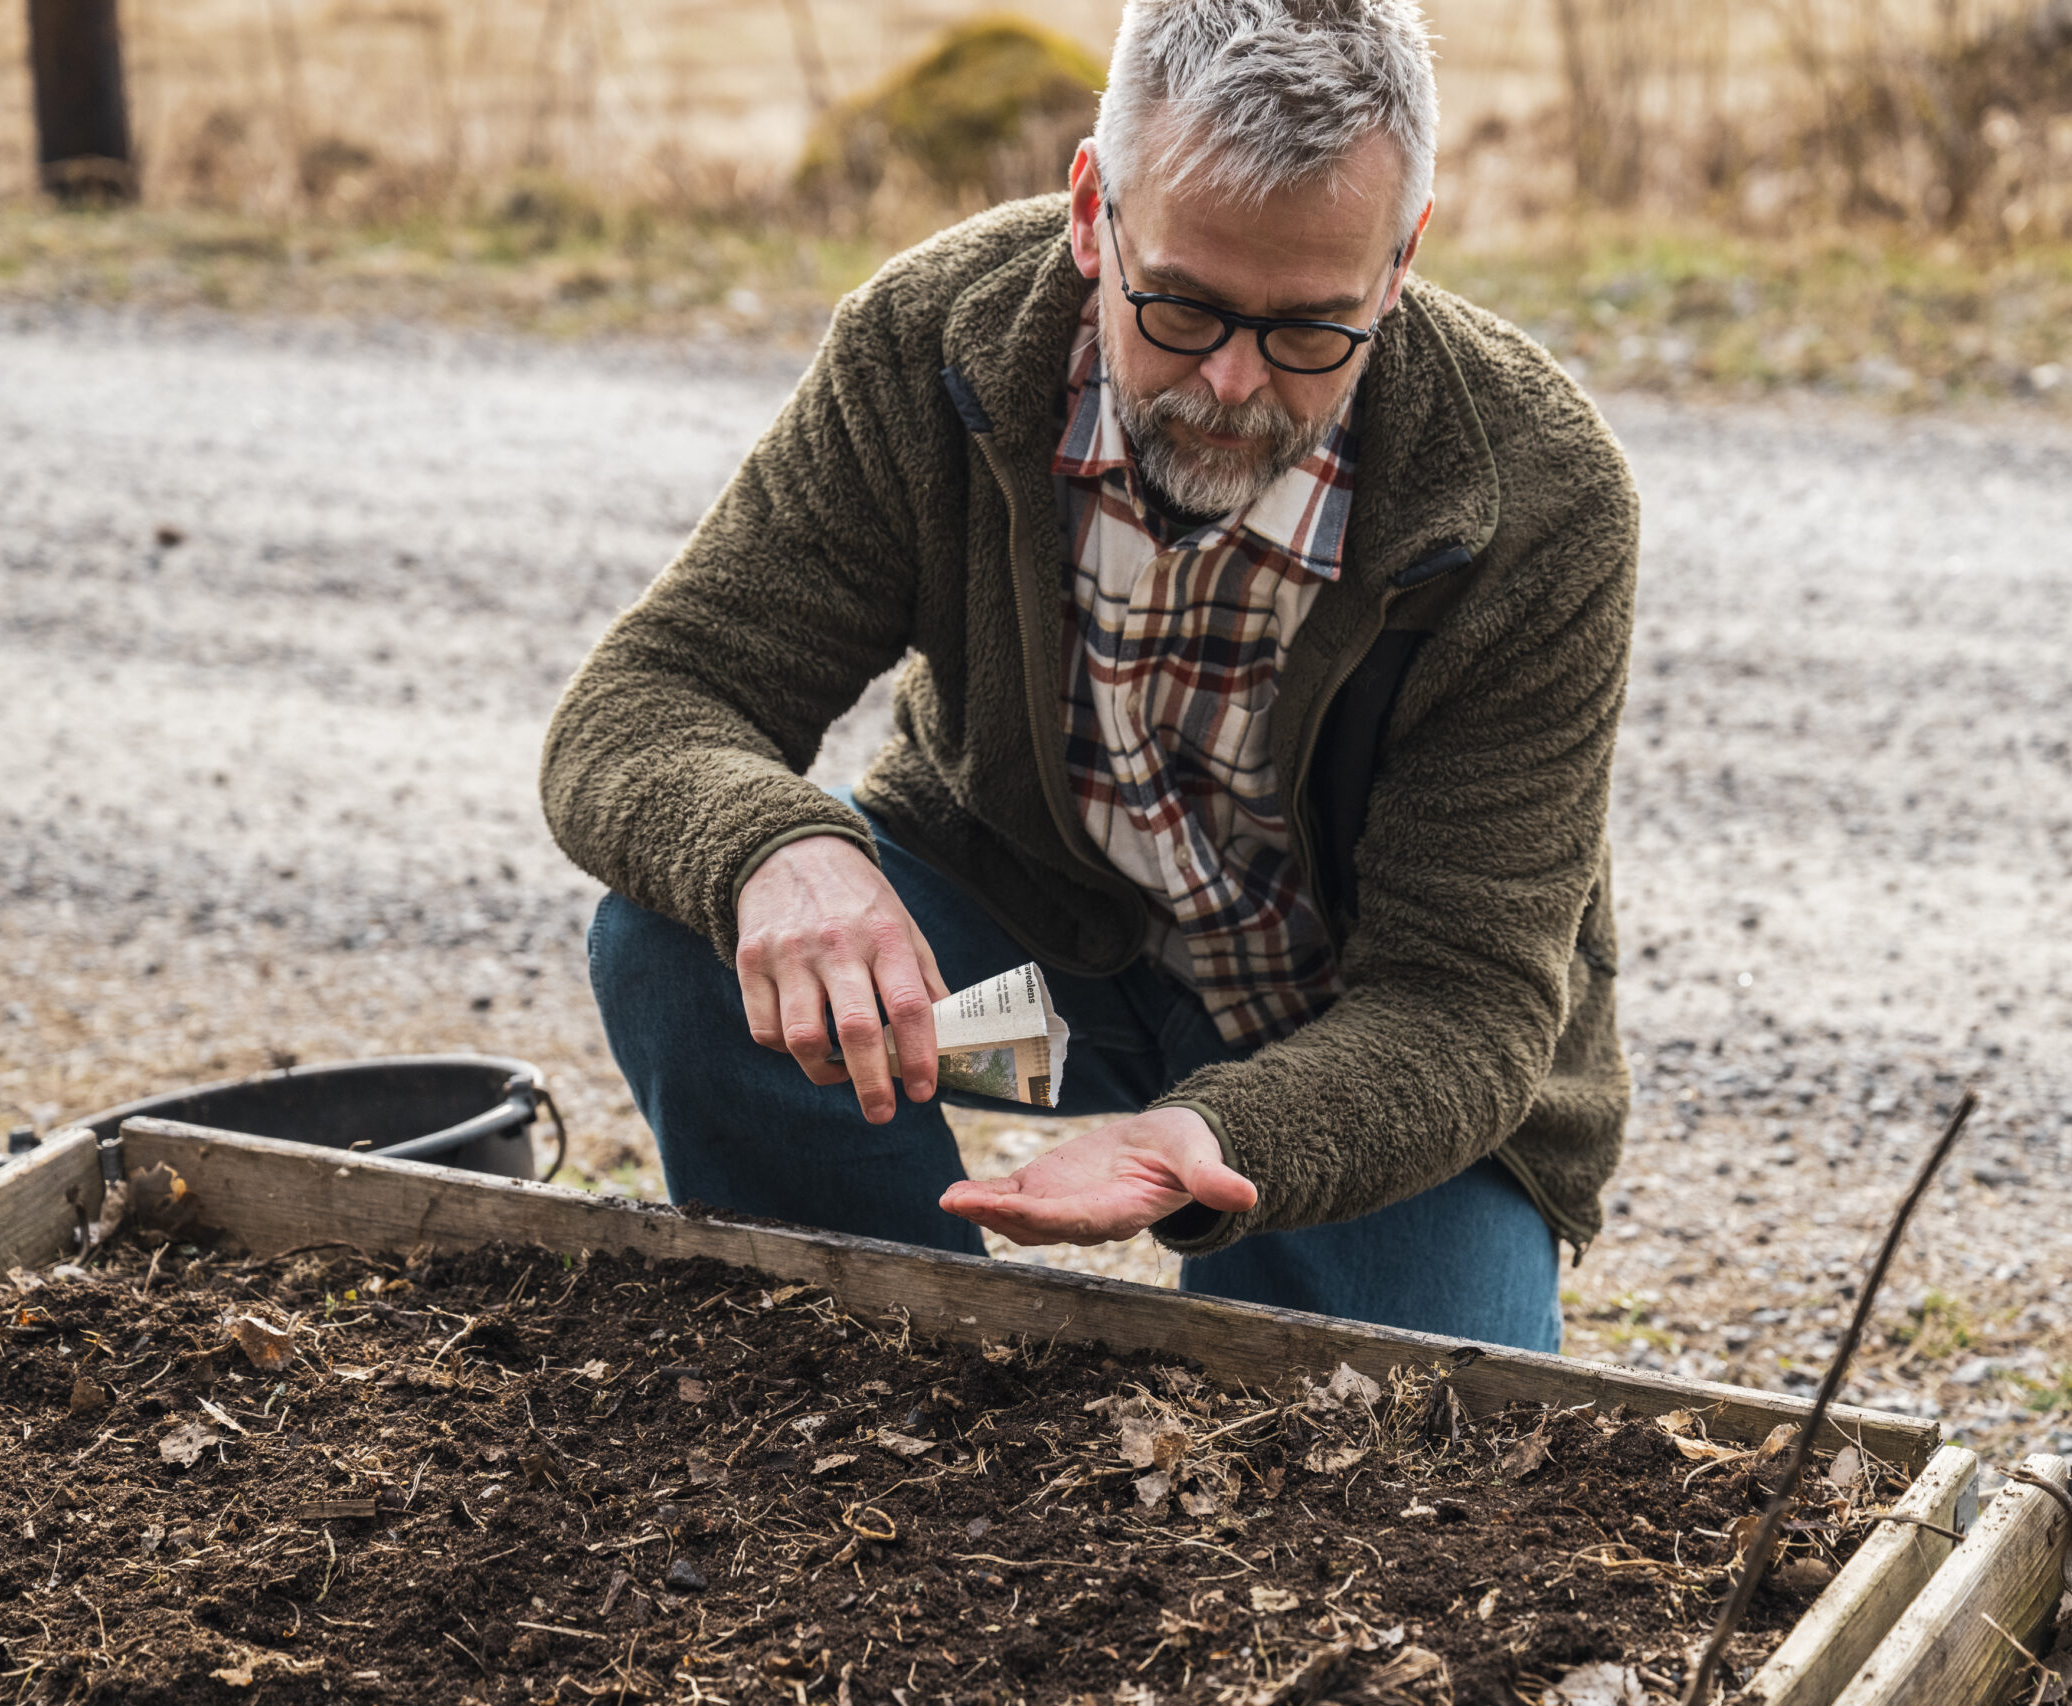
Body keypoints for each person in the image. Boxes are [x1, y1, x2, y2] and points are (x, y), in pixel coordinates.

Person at [542, 0, 1636, 1354]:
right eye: (1181, 305)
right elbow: (647, 697)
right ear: (1089, 208)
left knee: (1387, 1453)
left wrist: (1213, 1132)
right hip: (1038, 1000)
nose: (1233, 383)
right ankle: (890, 1363)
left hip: (1364, 1045)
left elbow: (1465, 1002)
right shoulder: (935, 343)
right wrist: (777, 847)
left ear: (1399, 262)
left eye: (1309, 331)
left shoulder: (1537, 493)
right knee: (682, 933)